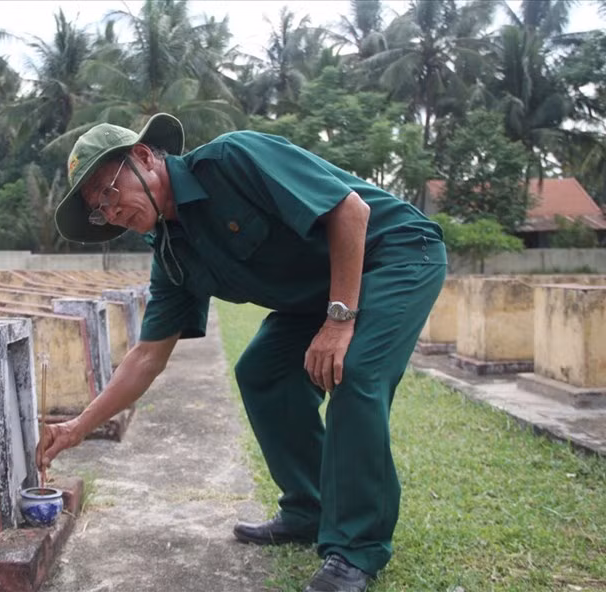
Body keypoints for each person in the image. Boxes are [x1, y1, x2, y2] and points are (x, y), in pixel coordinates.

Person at [40, 113, 447, 592]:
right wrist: (74, 429)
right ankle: (310, 507)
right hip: (318, 292)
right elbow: (148, 356)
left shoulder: (233, 160)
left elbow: (351, 213)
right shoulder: (172, 253)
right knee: (262, 372)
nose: (111, 213)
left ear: (145, 157)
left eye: (108, 193)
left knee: (354, 370)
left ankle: (356, 549)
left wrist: (339, 322)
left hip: (395, 253)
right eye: (98, 211)